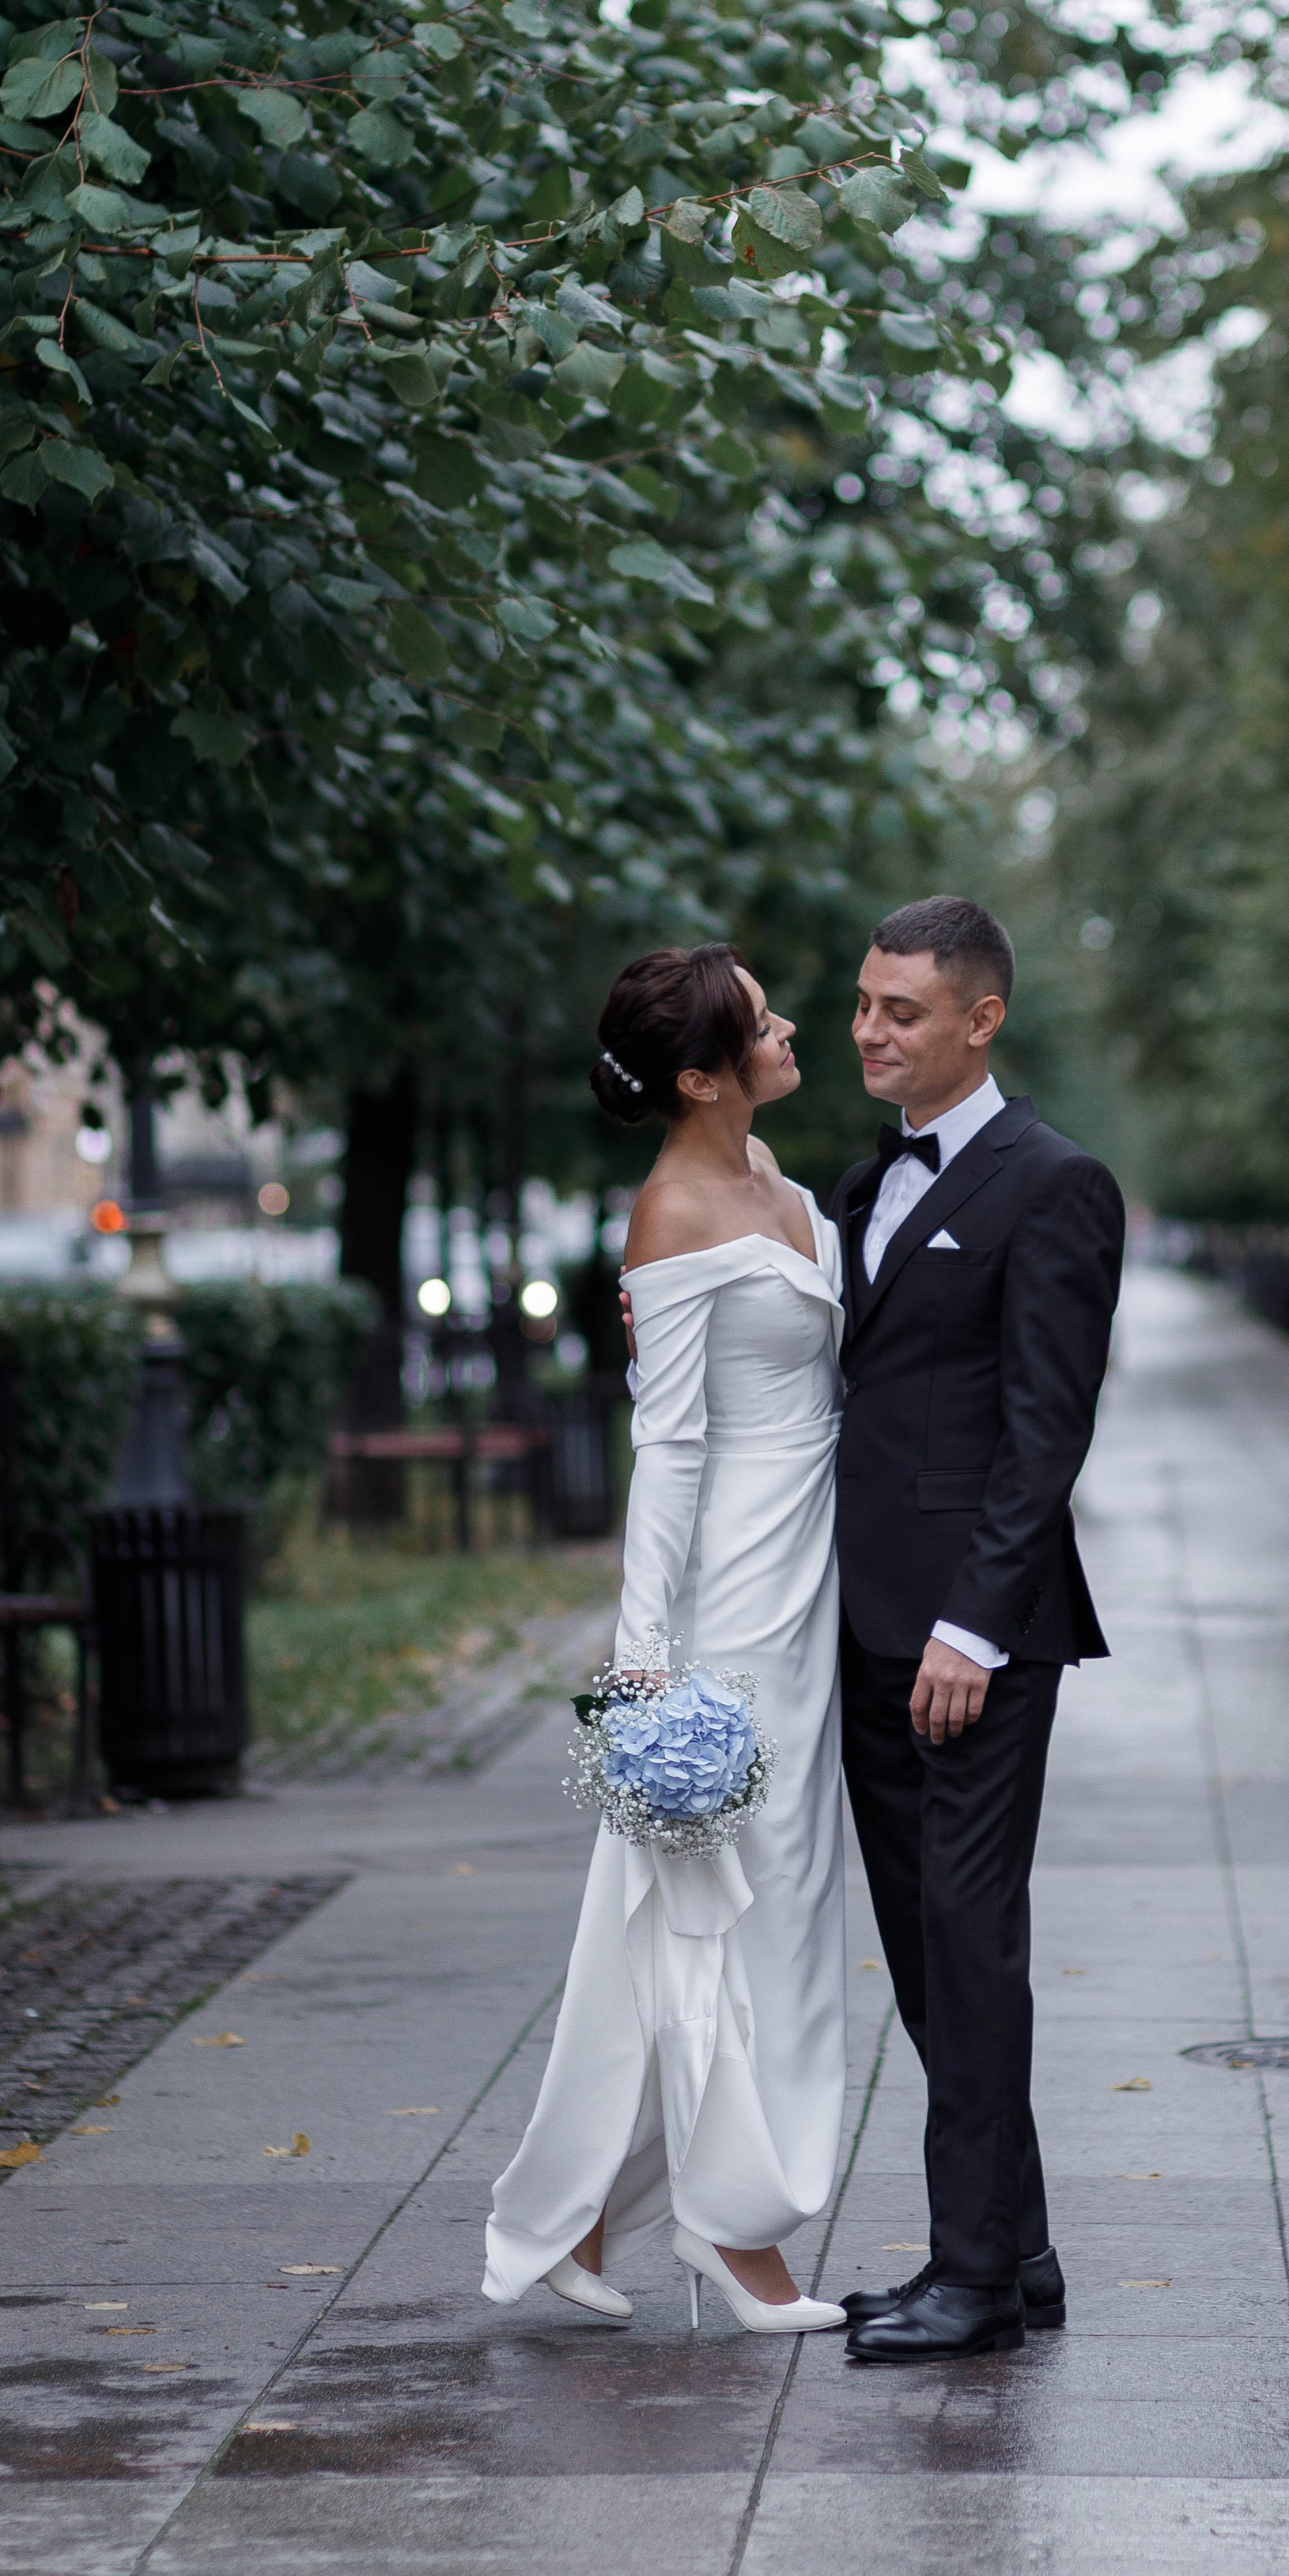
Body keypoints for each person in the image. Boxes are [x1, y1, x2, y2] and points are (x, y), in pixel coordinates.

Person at [483, 943, 849, 2336]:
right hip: (733, 1612)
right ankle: (736, 2236)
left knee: (762, 1911)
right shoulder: (676, 1213)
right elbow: (673, 1450)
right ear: (702, 1074)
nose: (793, 1023)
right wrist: (642, 1665)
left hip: (813, 1584)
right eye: (765, 1022)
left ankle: (574, 2220)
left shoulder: (784, 1190)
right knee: (731, 1921)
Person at [829, 897, 1124, 2362]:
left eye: (904, 1010)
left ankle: (970, 2279)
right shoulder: (858, 1181)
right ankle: (1018, 2247)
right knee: (920, 1942)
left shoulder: (1056, 1184)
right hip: (860, 1622)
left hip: (973, 1640)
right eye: (866, 1004)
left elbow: (1042, 1431)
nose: (873, 1030)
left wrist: (973, 1625)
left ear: (982, 1018)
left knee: (968, 1934)